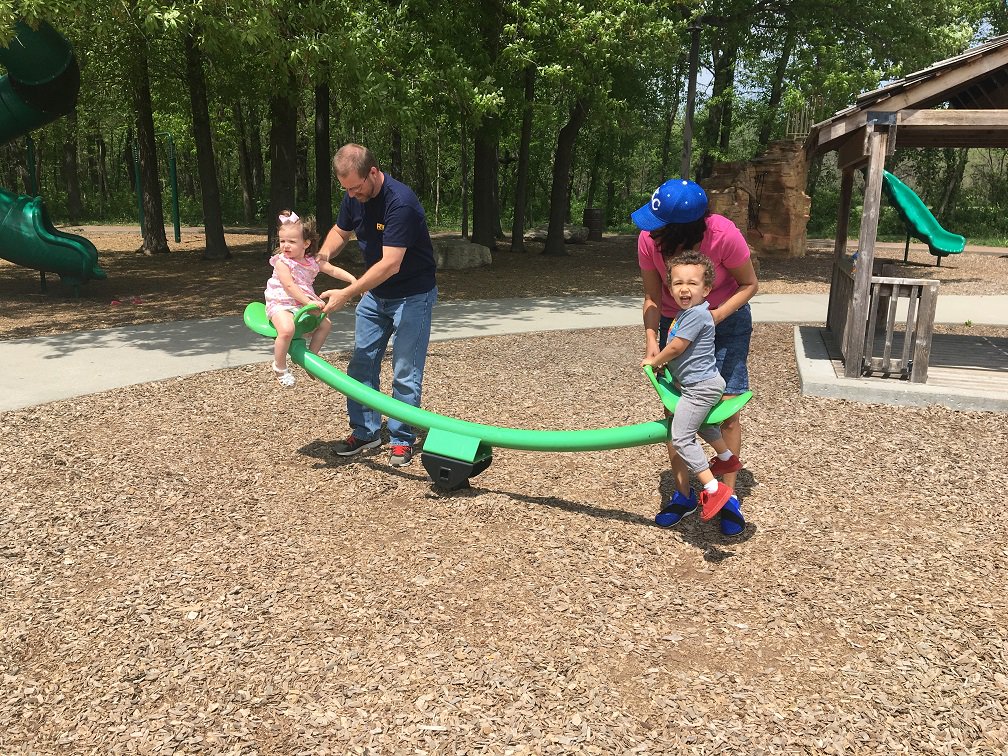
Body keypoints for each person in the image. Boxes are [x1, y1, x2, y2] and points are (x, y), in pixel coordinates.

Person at [633, 178, 758, 536]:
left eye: (659, 225)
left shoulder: (723, 234)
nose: (650, 230)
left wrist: (712, 318)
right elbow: (653, 297)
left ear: (682, 228)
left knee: (727, 414)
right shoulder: (648, 239)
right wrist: (651, 343)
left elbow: (750, 284)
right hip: (678, 323)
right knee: (678, 413)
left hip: (727, 319)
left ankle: (727, 497)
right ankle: (685, 493)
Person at [318, 143, 438, 468]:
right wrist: (324, 255)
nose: (352, 194)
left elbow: (390, 264)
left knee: (405, 371)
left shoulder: (401, 203)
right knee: (361, 364)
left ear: (373, 172)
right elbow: (340, 232)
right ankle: (366, 430)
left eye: (356, 187)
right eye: (346, 189)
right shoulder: (354, 195)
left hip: (412, 295)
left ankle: (402, 439)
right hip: (376, 296)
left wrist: (347, 293)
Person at [642, 252, 740, 523]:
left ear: (706, 289)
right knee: (704, 425)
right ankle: (726, 457)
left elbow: (677, 347)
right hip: (701, 385)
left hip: (700, 388)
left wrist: (655, 361)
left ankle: (713, 488)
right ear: (670, 288)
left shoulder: (697, 315)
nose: (684, 288)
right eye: (677, 283)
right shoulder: (686, 314)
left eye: (692, 283)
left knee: (681, 436)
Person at [264, 210, 355, 387]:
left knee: (326, 324)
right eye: (282, 241)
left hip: (302, 301)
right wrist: (308, 302)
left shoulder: (313, 261)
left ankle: (311, 358)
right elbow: (290, 287)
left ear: (306, 243)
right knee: (286, 330)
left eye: (291, 241)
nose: (285, 246)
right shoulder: (282, 262)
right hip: (281, 301)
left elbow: (333, 270)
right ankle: (280, 367)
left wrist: (353, 280)